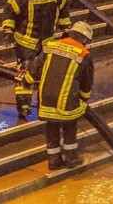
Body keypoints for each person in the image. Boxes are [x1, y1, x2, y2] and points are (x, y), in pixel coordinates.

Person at [2, 0, 73, 119]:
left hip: (47, 42)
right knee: (25, 73)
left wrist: (67, 29)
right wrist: (8, 30)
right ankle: (23, 106)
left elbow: (63, 11)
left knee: (46, 75)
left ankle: (44, 104)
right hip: (26, 42)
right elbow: (9, 12)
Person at [21, 20, 95, 171]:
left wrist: (26, 81)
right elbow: (86, 82)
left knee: (52, 126)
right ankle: (71, 158)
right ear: (85, 39)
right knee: (69, 127)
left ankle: (54, 160)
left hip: (47, 96)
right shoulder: (84, 54)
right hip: (67, 100)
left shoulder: (51, 45)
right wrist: (83, 98)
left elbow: (36, 67)